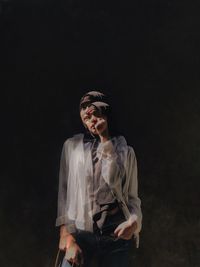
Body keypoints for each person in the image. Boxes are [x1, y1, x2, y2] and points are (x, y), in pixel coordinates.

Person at [55, 91, 142, 267]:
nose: (86, 109)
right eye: (83, 107)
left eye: (92, 105)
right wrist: (67, 237)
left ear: (105, 110)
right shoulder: (71, 148)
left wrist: (134, 223)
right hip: (81, 235)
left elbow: (132, 199)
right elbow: (64, 195)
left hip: (115, 236)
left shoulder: (125, 151)